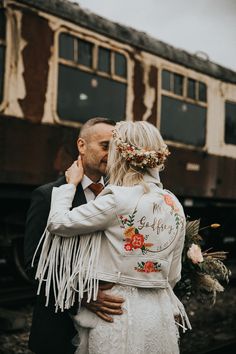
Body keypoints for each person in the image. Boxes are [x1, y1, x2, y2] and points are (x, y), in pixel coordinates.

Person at [35, 121, 191, 354]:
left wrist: (69, 186)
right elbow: (173, 275)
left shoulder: (118, 198)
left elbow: (57, 222)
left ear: (122, 154)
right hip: (158, 315)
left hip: (116, 313)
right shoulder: (173, 203)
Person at [24, 117, 125, 354]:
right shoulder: (47, 196)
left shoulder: (121, 197)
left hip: (109, 332)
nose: (112, 154)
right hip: (60, 331)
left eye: (117, 148)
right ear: (82, 145)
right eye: (105, 146)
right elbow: (34, 264)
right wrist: (81, 295)